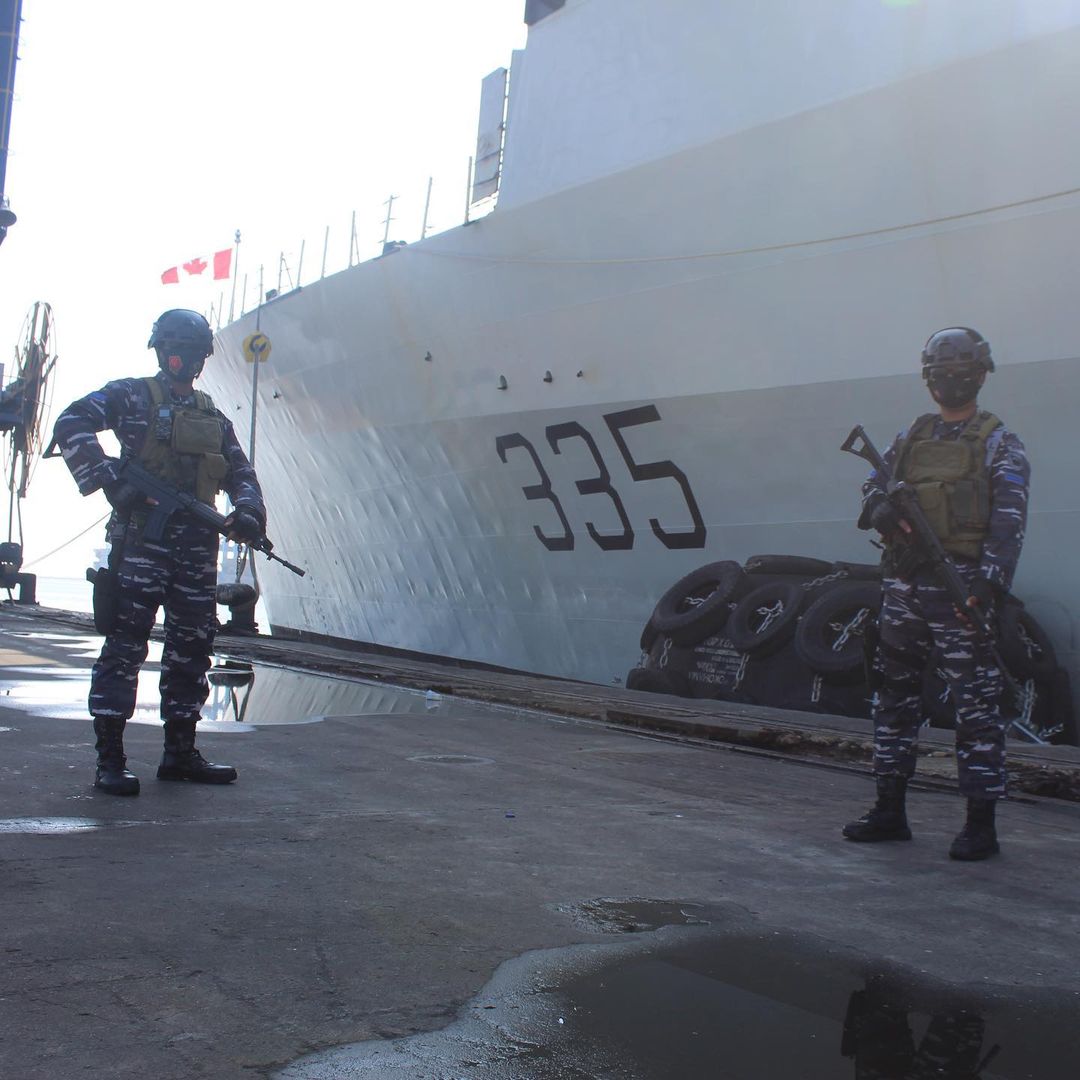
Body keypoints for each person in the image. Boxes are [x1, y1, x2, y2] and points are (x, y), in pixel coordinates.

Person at [52, 309, 267, 796]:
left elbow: (241, 475)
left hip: (196, 549)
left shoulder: (213, 415)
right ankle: (110, 759)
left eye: (193, 352)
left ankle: (180, 753)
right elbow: (71, 422)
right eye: (177, 348)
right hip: (142, 544)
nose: (184, 359)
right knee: (126, 644)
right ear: (160, 349)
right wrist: (109, 482)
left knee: (192, 647)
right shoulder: (130, 396)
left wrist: (249, 514)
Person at [842, 327, 1029, 860]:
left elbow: (1008, 524)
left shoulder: (998, 442)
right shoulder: (911, 436)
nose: (949, 380)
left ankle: (979, 824)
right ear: (929, 379)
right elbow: (876, 488)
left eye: (959, 372)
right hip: (904, 585)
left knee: (976, 706)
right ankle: (889, 810)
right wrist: (878, 507)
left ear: (979, 376)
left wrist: (989, 587)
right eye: (940, 373)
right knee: (894, 697)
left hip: (961, 588)